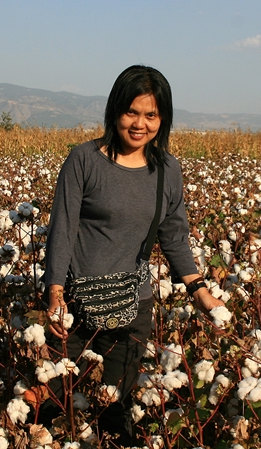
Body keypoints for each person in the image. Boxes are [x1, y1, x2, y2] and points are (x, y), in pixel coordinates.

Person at [40, 64, 225, 445]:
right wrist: (55, 294)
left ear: (163, 119)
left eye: (151, 115)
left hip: (133, 305)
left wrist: (202, 294)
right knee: (57, 403)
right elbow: (63, 230)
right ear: (115, 111)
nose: (140, 123)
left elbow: (174, 237)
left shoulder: (167, 170)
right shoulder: (85, 160)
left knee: (115, 409)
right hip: (77, 305)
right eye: (132, 112)